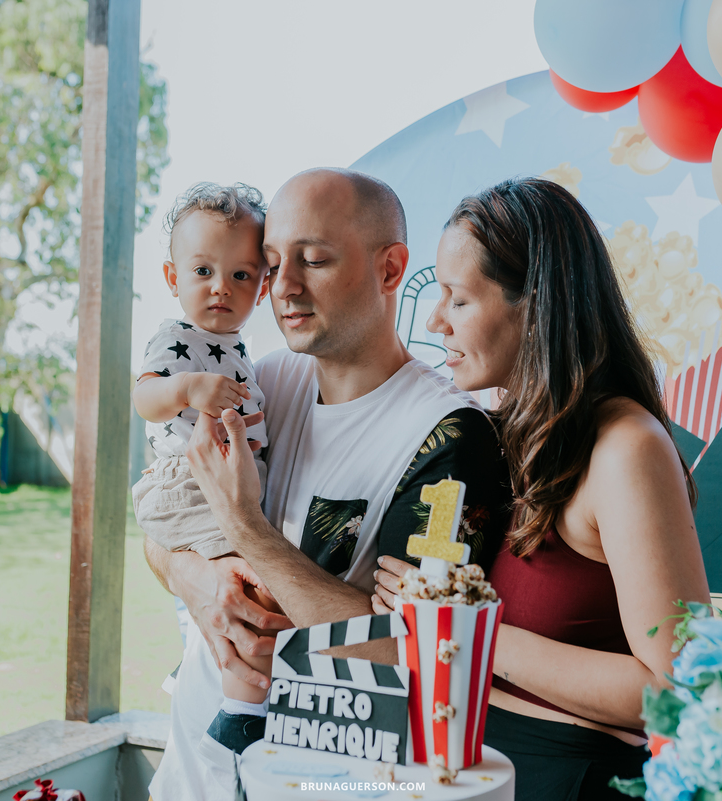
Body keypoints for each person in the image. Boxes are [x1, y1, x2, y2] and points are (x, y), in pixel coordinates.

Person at [144, 168, 513, 801]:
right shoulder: (260, 383)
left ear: (391, 269)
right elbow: (158, 523)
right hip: (190, 777)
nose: (282, 287)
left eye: (312, 261)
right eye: (270, 263)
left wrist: (245, 529)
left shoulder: (450, 437)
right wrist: (196, 578)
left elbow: (417, 658)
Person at [373, 177, 712, 800]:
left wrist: (466, 633)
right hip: (452, 768)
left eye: (457, 298)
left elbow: (678, 687)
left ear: (534, 303)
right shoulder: (477, 435)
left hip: (563, 779)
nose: (434, 320)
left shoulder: (625, 448)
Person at [130, 182, 282, 749]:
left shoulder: (243, 351)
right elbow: (145, 399)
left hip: (218, 484)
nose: (222, 287)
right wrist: (187, 387)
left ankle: (200, 668)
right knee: (252, 583)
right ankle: (241, 711)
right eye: (202, 272)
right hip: (184, 483)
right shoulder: (175, 340)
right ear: (174, 279)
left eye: (242, 275)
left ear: (262, 287)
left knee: (240, 586)